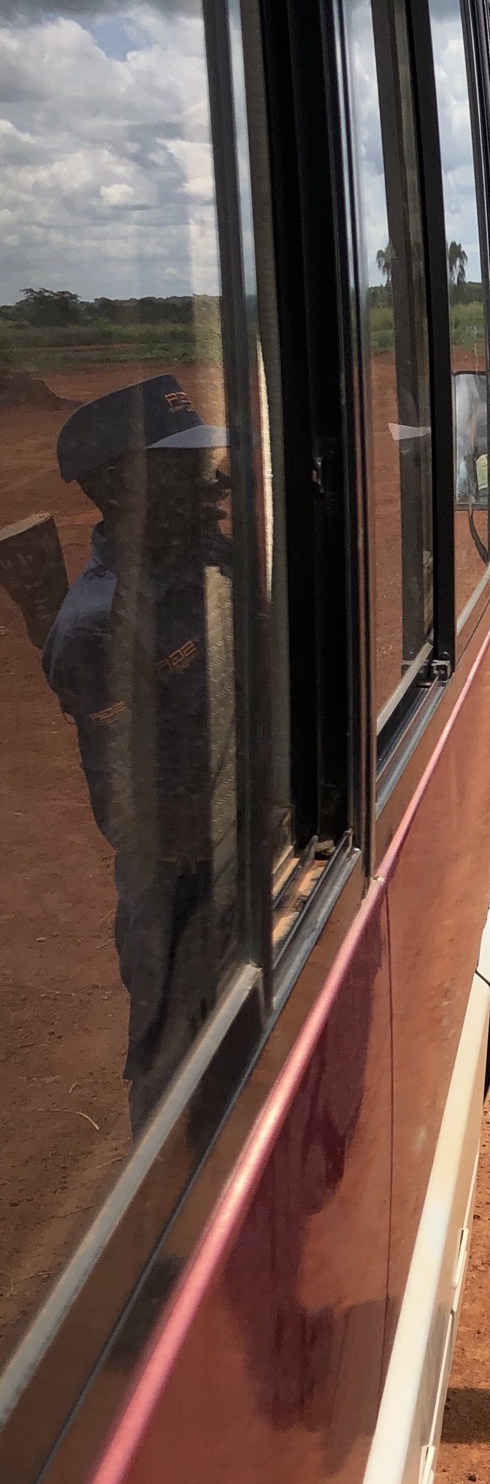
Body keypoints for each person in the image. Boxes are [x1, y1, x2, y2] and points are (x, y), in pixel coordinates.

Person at [42, 375, 236, 1134]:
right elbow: (139, 814)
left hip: (235, 849)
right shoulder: (101, 625)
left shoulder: (201, 557)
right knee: (174, 1071)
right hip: (182, 891)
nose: (210, 478)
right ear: (125, 490)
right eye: (184, 467)